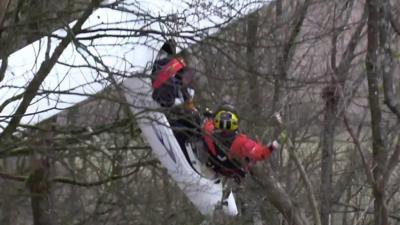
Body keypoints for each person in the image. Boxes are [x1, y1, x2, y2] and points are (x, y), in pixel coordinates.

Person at [201, 103, 279, 183]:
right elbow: (258, 153)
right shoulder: (240, 142)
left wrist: (208, 118)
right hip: (217, 168)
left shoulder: (209, 130)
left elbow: (258, 153)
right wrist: (271, 148)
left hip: (214, 167)